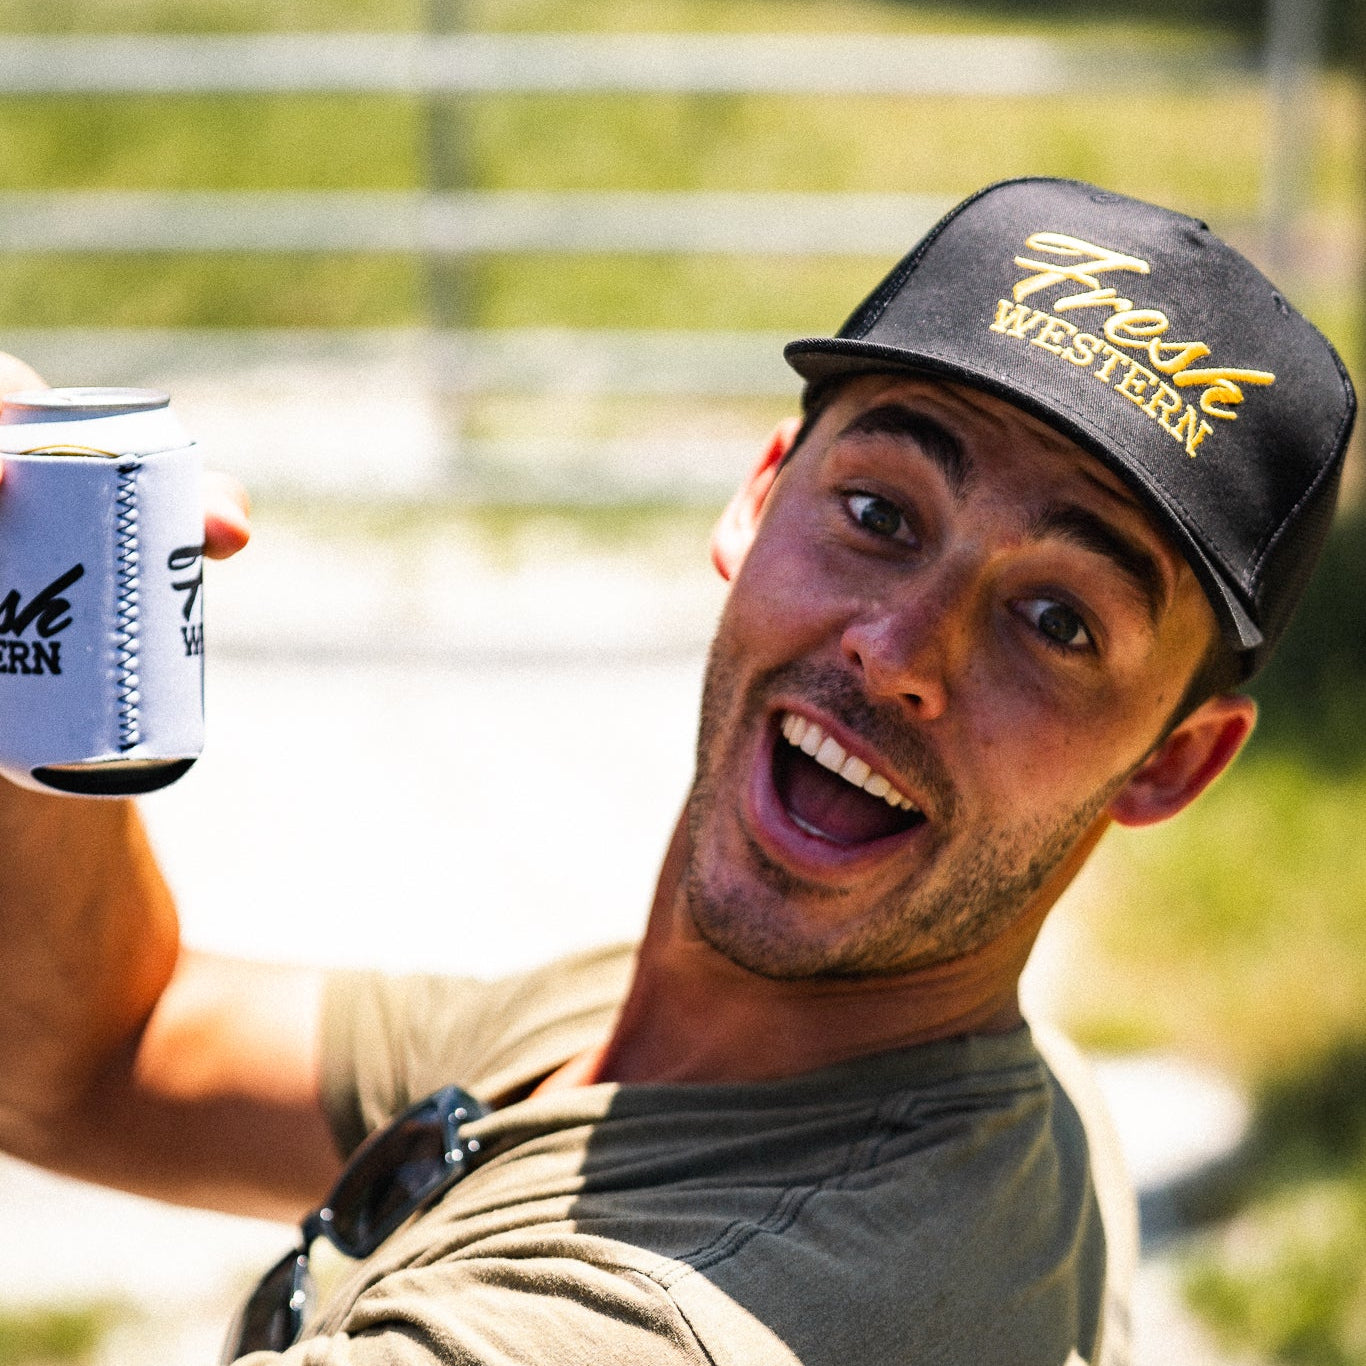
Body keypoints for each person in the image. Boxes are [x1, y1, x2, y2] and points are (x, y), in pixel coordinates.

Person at [0, 177, 1353, 1366]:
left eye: (1055, 620)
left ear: (1170, 764)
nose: (897, 652)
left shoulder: (627, 1326)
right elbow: (98, 1053)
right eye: (879, 513)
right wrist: (39, 653)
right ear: (757, 496)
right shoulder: (892, 1072)